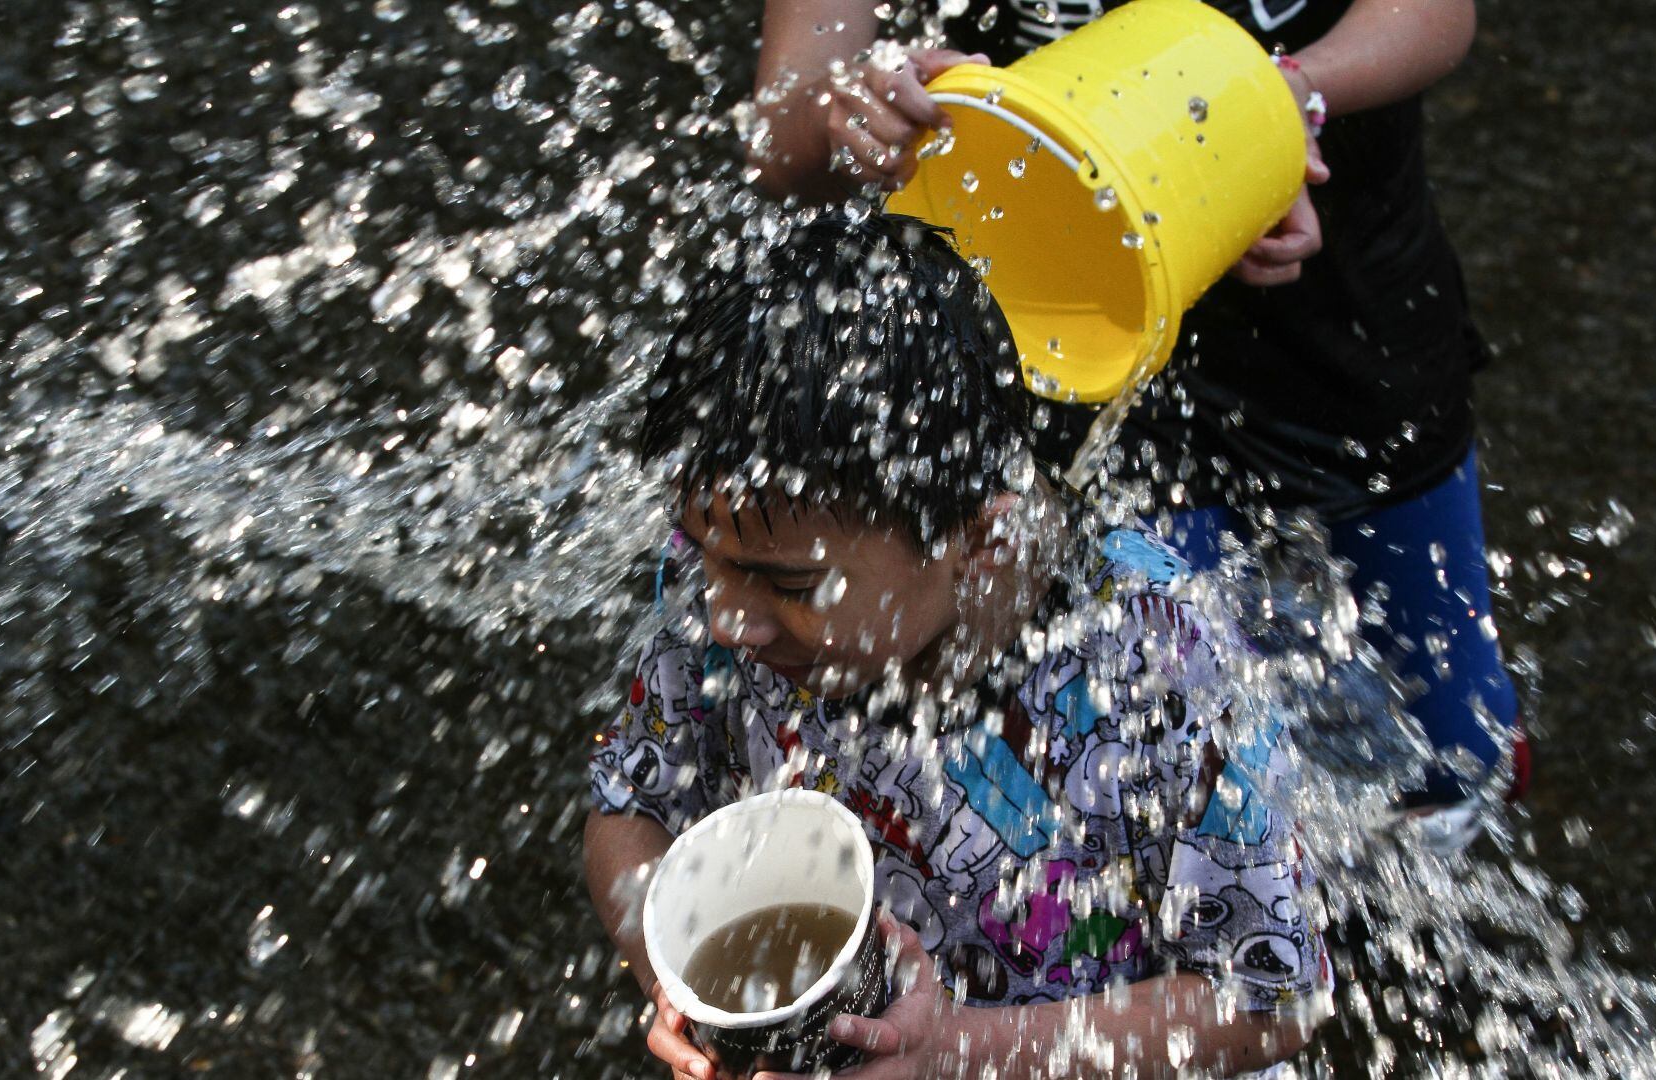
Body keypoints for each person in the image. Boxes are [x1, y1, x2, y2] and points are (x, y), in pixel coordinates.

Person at [584, 212, 1329, 1079]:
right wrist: (665, 968)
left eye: (789, 588)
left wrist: (956, 1054)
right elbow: (626, 804)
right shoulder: (734, 554)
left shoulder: (1151, 669)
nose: (723, 619)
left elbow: (1277, 997)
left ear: (981, 542)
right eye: (704, 557)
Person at [745, 0, 1526, 825]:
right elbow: (781, 135)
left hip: (1354, 332)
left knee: (1456, 744)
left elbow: (1440, 12)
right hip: (1080, 351)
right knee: (1178, 759)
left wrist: (1281, 97)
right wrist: (857, 110)